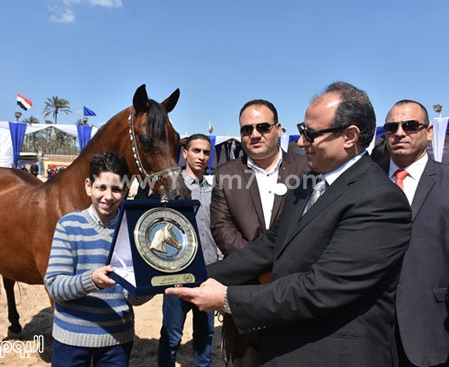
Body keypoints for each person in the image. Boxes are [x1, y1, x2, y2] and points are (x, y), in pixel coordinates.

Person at [168, 82, 412, 366]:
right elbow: (269, 246)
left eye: (311, 133)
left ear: (350, 136)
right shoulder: (308, 185)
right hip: (284, 347)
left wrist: (227, 298)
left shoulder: (379, 200)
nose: (299, 142)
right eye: (302, 130)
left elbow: (319, 288)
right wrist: (193, 275)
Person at [383, 100, 449, 367]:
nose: (400, 133)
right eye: (392, 127)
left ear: (428, 131)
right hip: (371, 336)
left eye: (410, 126)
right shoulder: (366, 181)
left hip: (435, 336)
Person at [210, 99, 307, 366]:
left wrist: (278, 270)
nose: (254, 134)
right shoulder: (225, 174)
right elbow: (221, 228)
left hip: (293, 291)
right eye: (246, 129)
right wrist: (257, 269)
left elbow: (313, 226)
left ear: (278, 128)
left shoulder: (306, 170)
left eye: (262, 127)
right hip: (244, 294)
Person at [44, 152, 152, 367]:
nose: (108, 196)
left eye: (116, 189)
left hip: (117, 340)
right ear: (88, 186)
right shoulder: (68, 226)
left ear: (126, 190)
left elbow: (131, 296)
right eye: (101, 187)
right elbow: (54, 286)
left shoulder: (135, 230)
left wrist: (149, 285)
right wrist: (91, 280)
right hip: (70, 339)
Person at [158, 134, 223, 367]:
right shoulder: (170, 189)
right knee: (172, 335)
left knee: (205, 335)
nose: (202, 156)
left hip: (209, 273)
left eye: (206, 152)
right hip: (178, 275)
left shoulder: (216, 188)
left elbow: (219, 228)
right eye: (196, 151)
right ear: (185, 153)